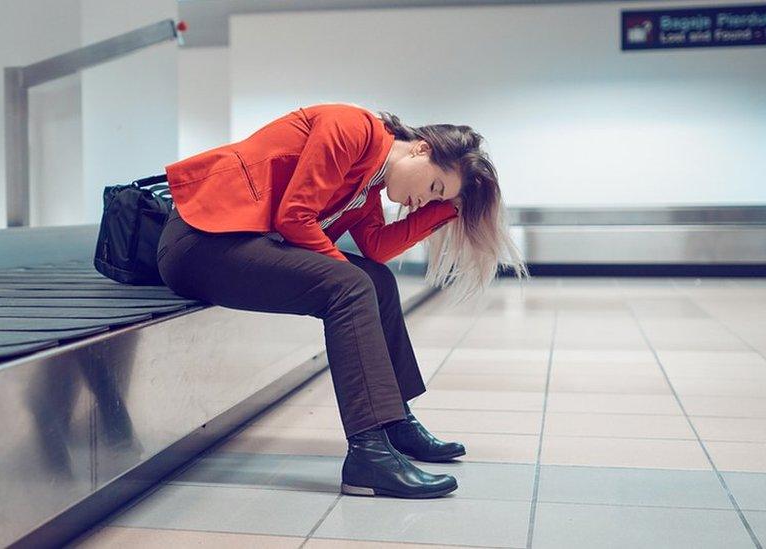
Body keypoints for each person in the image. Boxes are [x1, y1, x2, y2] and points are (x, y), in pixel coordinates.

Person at [156, 103, 529, 499]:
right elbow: (295, 217)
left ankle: (394, 424)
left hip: (240, 244)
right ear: (421, 149)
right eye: (435, 187)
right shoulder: (350, 128)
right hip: (199, 242)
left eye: (438, 198)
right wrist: (347, 276)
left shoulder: (369, 186)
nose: (425, 199)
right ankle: (369, 455)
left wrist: (446, 213)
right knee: (351, 285)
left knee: (377, 281)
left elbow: (377, 248)